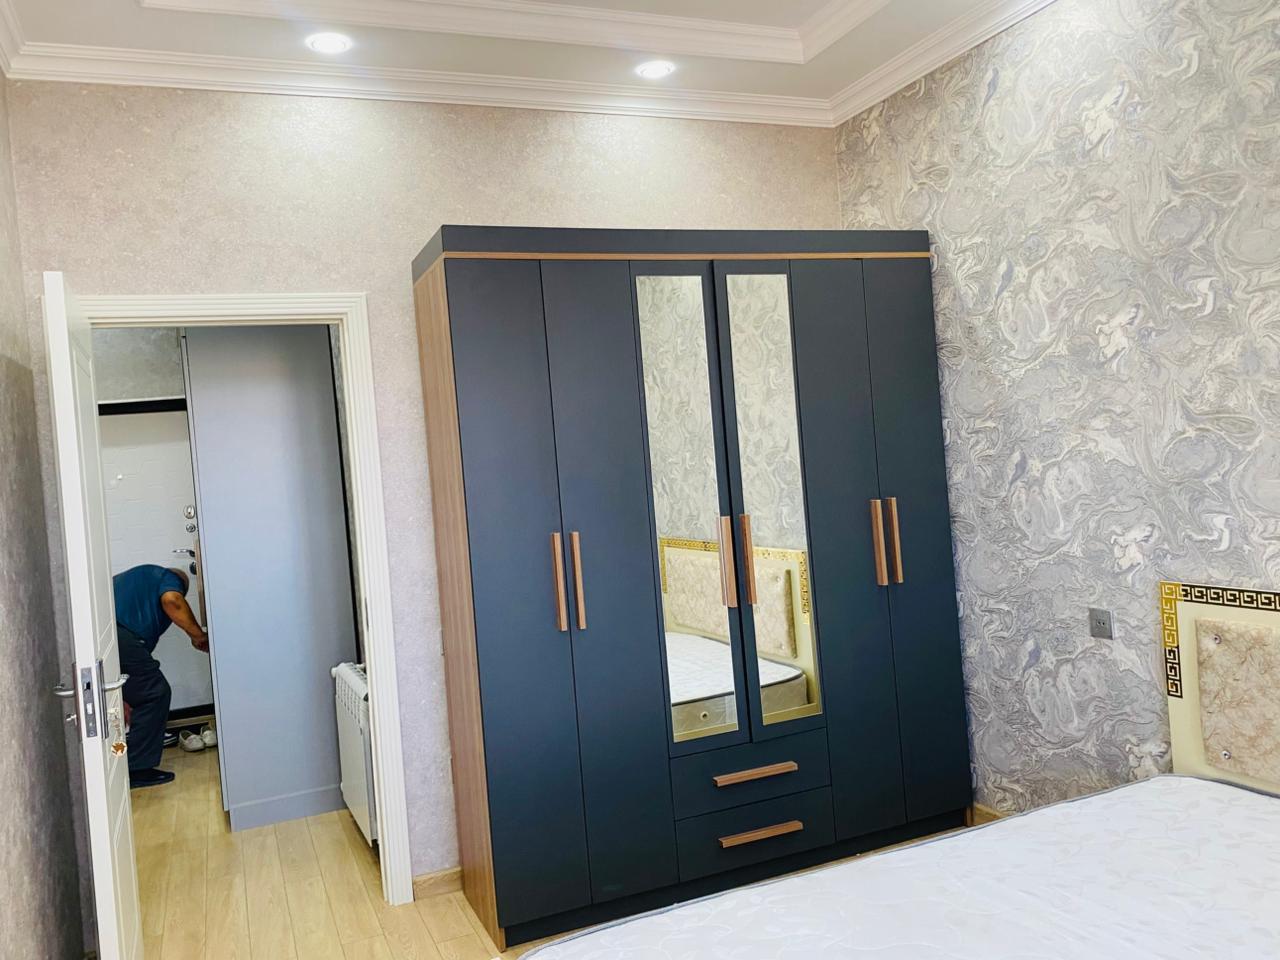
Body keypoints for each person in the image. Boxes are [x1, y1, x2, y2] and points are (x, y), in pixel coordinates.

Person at [112, 564, 209, 788]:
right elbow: (172, 601)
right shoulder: (167, 577)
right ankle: (136, 769)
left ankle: (121, 764)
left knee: (129, 696)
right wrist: (198, 636)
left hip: (103, 638)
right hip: (123, 636)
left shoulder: (124, 581)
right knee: (155, 693)